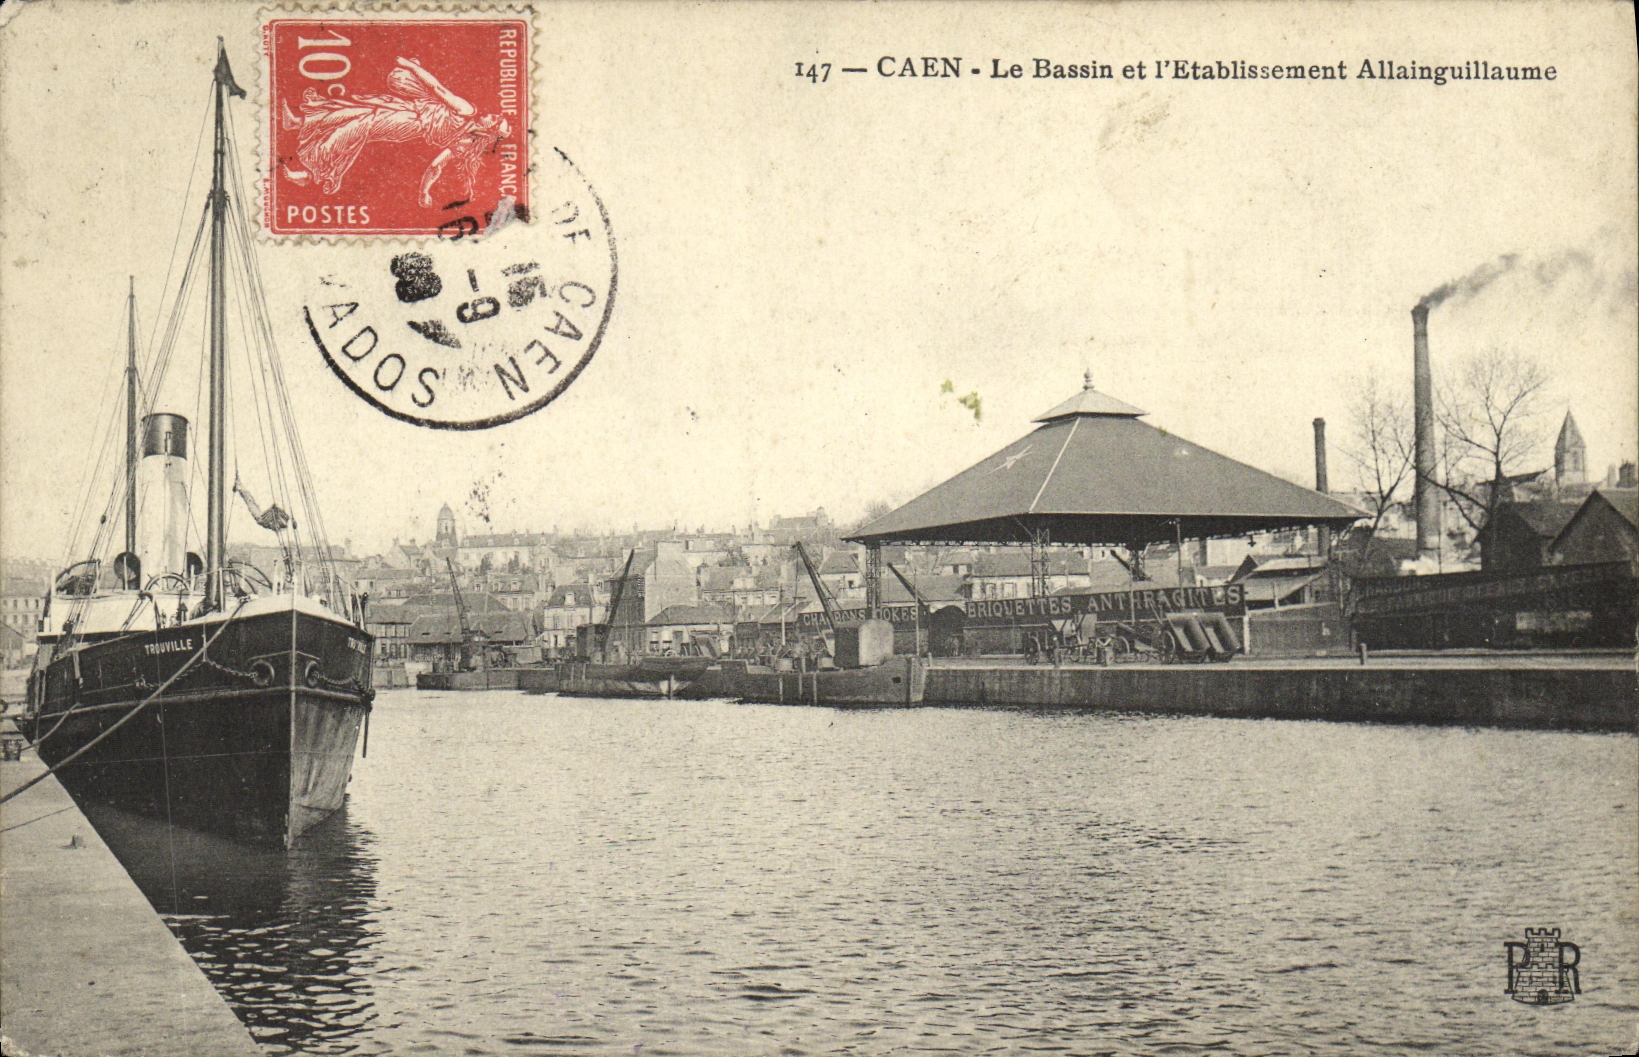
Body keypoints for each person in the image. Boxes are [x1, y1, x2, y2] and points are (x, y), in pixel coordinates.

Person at [281, 57, 510, 207]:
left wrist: (412, 67)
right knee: (357, 111)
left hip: (409, 121)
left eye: (495, 119)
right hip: (407, 110)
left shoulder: (467, 112)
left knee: (359, 125)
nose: (491, 115)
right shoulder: (466, 140)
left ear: (490, 129)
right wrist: (425, 193)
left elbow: (437, 88)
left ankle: (311, 173)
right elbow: (435, 167)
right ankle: (299, 122)